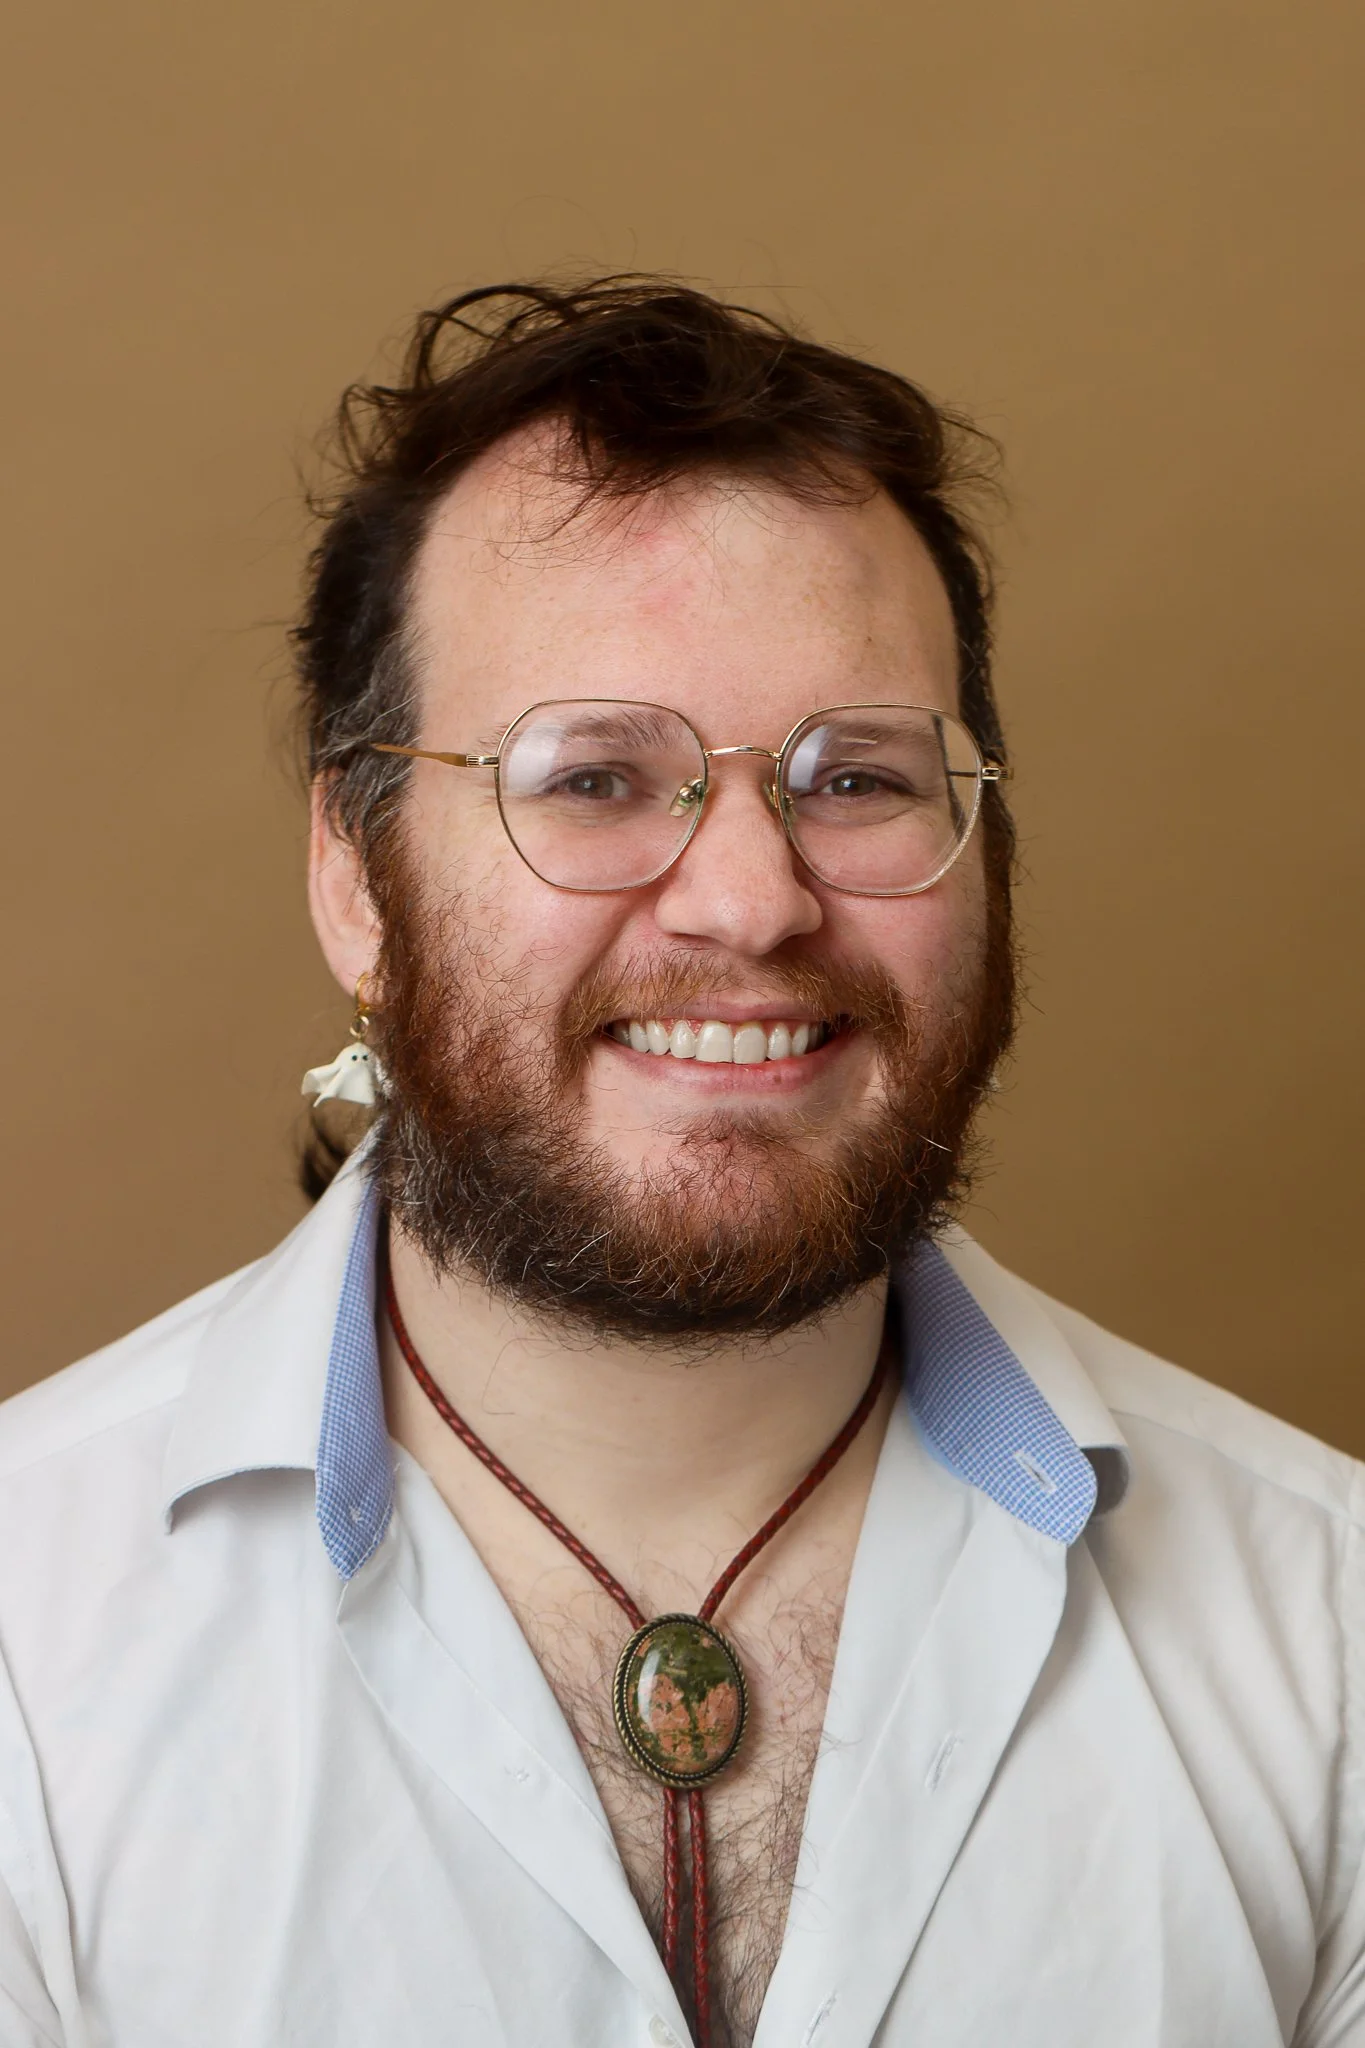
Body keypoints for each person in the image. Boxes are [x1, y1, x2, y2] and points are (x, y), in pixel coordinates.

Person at [0, 278, 1360, 2048]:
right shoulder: (27, 1645)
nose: (748, 898)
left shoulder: (1332, 1637)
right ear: (356, 876)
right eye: (593, 777)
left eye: (858, 777)